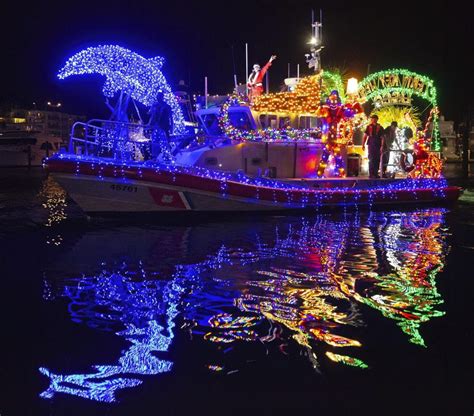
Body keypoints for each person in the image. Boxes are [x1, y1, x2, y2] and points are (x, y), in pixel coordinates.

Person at [147, 92, 173, 161]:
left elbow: (171, 117)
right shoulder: (155, 105)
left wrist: (171, 127)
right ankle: (154, 157)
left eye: (159, 96)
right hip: (156, 126)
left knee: (165, 141)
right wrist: (149, 124)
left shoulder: (167, 106)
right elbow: (151, 114)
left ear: (162, 97)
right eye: (157, 96)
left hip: (164, 126)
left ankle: (167, 156)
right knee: (155, 141)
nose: (158, 98)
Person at [362, 114, 385, 178]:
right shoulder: (368, 127)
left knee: (377, 159)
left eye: (375, 118)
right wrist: (363, 144)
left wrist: (382, 146)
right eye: (372, 119)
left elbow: (382, 137)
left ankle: (375, 173)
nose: (373, 120)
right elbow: (365, 136)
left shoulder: (380, 127)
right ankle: (371, 173)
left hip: (378, 144)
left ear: (377, 119)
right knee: (371, 159)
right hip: (371, 144)